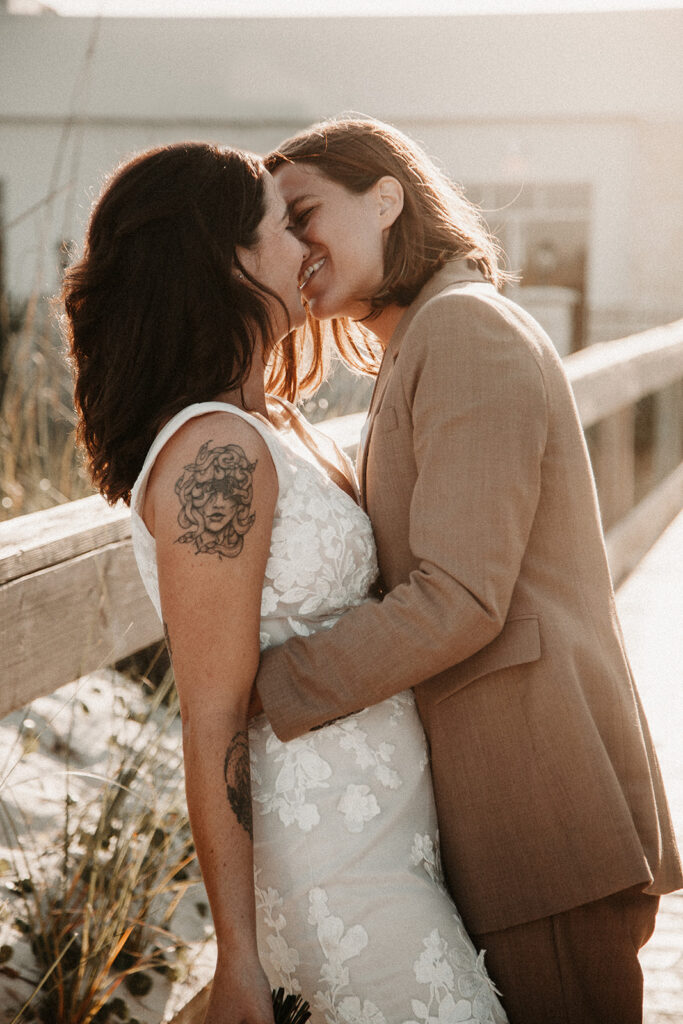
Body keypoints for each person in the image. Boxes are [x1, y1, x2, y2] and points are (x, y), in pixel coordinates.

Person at [62, 141, 508, 1024]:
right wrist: (237, 958)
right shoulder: (214, 453)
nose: (308, 250)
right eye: (285, 226)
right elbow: (213, 715)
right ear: (226, 260)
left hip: (396, 842)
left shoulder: (279, 424)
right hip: (332, 870)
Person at [251, 116, 683, 1024]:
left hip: (539, 805)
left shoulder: (463, 335)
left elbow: (459, 598)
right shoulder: (427, 338)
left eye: (305, 212)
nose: (294, 244)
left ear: (385, 197)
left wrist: (264, 690)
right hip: (507, 802)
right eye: (277, 228)